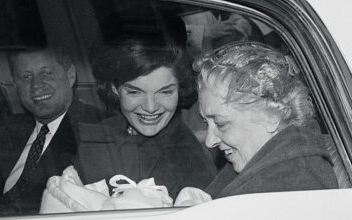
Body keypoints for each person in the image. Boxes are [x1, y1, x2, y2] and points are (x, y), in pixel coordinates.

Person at [75, 37, 216, 199]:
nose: (150, 107)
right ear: (115, 89)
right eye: (135, 92)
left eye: (165, 92)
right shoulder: (96, 136)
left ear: (179, 91)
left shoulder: (191, 165)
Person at [193, 41, 338, 199]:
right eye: (207, 123)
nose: (209, 141)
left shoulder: (292, 187)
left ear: (271, 117)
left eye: (221, 124)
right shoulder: (262, 164)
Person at [0, 45, 102, 215]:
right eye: (26, 76)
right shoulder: (11, 129)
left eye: (46, 73)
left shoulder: (98, 128)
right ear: (15, 85)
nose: (36, 85)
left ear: (70, 75)